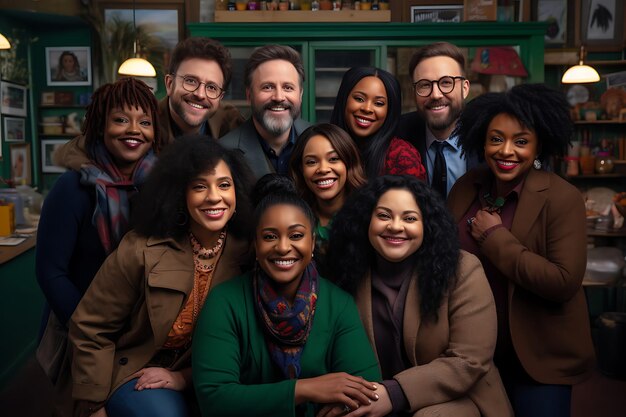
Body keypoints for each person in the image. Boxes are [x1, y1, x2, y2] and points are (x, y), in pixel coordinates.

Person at [68, 136, 255, 417]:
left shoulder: (250, 253)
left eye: (224, 185)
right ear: (180, 194)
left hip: (212, 375)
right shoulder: (140, 249)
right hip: (137, 374)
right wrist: (93, 405)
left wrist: (184, 377)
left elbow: (252, 343)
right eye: (199, 186)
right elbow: (91, 329)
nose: (214, 196)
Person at [447, 83, 595, 417]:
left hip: (536, 356)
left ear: (539, 144)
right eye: (496, 139)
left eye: (521, 141)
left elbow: (563, 281)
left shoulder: (562, 197)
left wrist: (496, 237)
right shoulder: (466, 186)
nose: (506, 151)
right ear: (482, 141)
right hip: (472, 353)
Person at [192, 174, 381, 417]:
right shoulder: (225, 302)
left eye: (296, 235)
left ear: (312, 242)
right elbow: (214, 399)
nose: (283, 247)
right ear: (256, 245)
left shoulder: (339, 303)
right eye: (270, 236)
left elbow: (367, 391)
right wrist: (304, 390)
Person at [327, 175, 513, 417]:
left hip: (461, 399)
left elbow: (470, 360)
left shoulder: (462, 269)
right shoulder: (347, 273)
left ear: (427, 225)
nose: (395, 226)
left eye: (410, 218)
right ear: (366, 221)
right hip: (376, 402)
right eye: (383, 215)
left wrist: (392, 393)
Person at [37, 77, 162, 350]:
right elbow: (50, 272)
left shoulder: (163, 186)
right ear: (100, 126)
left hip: (142, 335)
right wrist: (89, 332)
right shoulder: (71, 187)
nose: (134, 130)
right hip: (84, 332)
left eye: (145, 122)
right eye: (120, 120)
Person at [395, 42, 478, 197]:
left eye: (446, 82)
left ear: (465, 88)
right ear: (414, 93)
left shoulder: (486, 137)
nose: (435, 94)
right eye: (424, 85)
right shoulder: (397, 134)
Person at [220, 44, 311, 180]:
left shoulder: (318, 140)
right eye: (267, 87)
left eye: (288, 87)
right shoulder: (223, 152)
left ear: (300, 95)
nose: (279, 97)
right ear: (249, 95)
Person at [288, 123, 366, 275]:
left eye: (333, 159)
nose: (323, 169)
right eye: (311, 162)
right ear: (301, 170)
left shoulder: (368, 217)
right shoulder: (293, 218)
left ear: (349, 163)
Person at [329, 66, 426, 181]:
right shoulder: (325, 147)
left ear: (389, 111)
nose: (367, 108)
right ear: (344, 100)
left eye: (379, 103)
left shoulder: (402, 156)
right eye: (359, 99)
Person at [162, 36, 244, 142]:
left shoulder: (232, 123)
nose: (200, 94)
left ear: (220, 97)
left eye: (211, 87)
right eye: (190, 81)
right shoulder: (144, 124)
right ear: (170, 84)